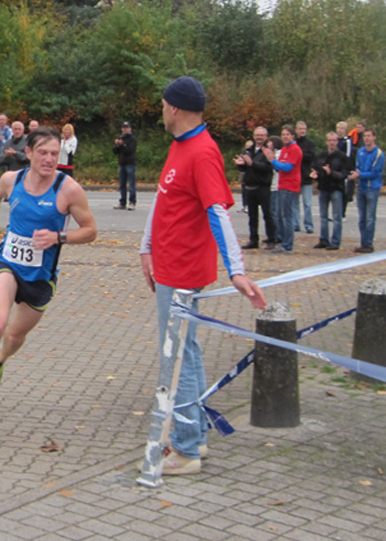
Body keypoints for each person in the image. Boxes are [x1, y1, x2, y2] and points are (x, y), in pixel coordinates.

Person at [139, 76, 265, 475]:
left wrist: (237, 271)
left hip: (182, 271)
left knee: (177, 358)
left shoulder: (202, 152)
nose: (161, 110)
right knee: (185, 354)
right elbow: (164, 202)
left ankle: (187, 449)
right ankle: (196, 440)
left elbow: (218, 213)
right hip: (168, 265)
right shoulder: (179, 147)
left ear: (174, 108)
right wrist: (146, 246)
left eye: (162, 104)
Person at [0, 127, 98, 427]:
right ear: (29, 153)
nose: (49, 160)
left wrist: (58, 237)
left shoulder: (68, 189)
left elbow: (90, 231)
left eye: (54, 154)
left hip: (40, 277)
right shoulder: (12, 180)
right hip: (8, 262)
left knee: (14, 335)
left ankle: (0, 361)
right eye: (43, 153)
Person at [234, 126, 276, 250]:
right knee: (252, 216)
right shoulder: (248, 150)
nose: (259, 137)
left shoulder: (268, 151)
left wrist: (252, 164)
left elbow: (268, 167)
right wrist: (241, 165)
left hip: (263, 187)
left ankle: (271, 239)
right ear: (253, 136)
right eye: (257, 135)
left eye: (262, 135)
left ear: (266, 137)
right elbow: (244, 168)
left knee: (267, 215)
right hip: (250, 187)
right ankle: (253, 240)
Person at [263, 125, 302, 253]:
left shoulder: (294, 149)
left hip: (290, 186)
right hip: (281, 184)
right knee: (279, 215)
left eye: (287, 134)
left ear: (292, 136)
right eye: (283, 134)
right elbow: (278, 168)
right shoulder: (284, 149)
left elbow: (287, 167)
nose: (285, 136)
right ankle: (282, 240)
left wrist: (273, 161)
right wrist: (273, 162)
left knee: (287, 216)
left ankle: (287, 244)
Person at [310, 132, 348, 250]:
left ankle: (335, 241)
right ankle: (323, 239)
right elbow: (315, 168)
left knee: (336, 217)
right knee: (323, 216)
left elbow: (343, 174)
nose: (332, 143)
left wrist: (331, 173)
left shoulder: (342, 157)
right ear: (326, 142)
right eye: (329, 140)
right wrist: (315, 175)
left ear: (337, 142)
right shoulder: (321, 156)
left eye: (334, 140)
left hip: (336, 188)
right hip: (323, 188)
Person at [349, 127, 385, 253]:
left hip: (372, 188)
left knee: (370, 218)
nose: (367, 139)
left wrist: (360, 175)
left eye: (369, 136)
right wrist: (356, 174)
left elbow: (374, 173)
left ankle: (369, 244)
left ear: (374, 137)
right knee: (362, 218)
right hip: (362, 188)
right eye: (365, 136)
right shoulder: (360, 152)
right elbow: (358, 167)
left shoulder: (378, 154)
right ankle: (363, 243)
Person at [337, 120, 363, 220]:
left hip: (343, 168)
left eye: (342, 128)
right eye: (338, 128)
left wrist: (345, 168)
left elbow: (347, 155)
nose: (340, 130)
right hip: (335, 169)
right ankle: (336, 212)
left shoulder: (347, 141)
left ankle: (343, 213)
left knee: (344, 191)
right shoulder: (334, 139)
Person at [295, 121, 316, 234]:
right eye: (300, 129)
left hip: (306, 176)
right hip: (295, 176)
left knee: (307, 203)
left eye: (304, 129)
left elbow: (311, 157)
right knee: (295, 202)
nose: (302, 131)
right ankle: (295, 224)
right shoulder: (293, 143)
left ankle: (309, 225)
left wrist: (299, 154)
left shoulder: (310, 143)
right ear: (296, 130)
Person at [112, 121, 137, 210]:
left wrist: (122, 145)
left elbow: (129, 151)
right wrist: (117, 145)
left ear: (129, 128)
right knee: (122, 184)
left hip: (130, 163)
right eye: (124, 127)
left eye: (126, 127)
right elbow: (115, 152)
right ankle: (122, 202)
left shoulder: (132, 139)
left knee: (131, 184)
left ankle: (132, 202)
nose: (125, 129)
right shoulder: (121, 137)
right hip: (121, 163)